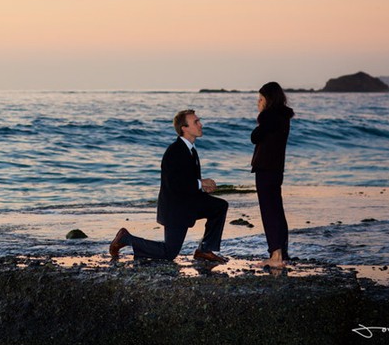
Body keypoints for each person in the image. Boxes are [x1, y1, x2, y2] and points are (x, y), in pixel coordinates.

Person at [109, 109, 229, 262]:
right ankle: (126, 238)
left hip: (188, 203)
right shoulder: (175, 151)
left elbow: (186, 180)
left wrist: (202, 187)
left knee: (219, 206)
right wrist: (200, 183)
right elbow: (175, 184)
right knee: (169, 253)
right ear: (184, 128)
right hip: (175, 209)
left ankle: (204, 250)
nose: (201, 125)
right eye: (196, 122)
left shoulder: (190, 150)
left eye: (199, 121)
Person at [251, 82, 294, 268]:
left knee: (269, 211)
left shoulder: (269, 117)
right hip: (276, 168)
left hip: (265, 168)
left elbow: (254, 137)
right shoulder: (283, 117)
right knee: (276, 209)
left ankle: (275, 256)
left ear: (268, 100)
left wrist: (262, 115)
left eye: (261, 99)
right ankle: (282, 253)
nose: (258, 103)